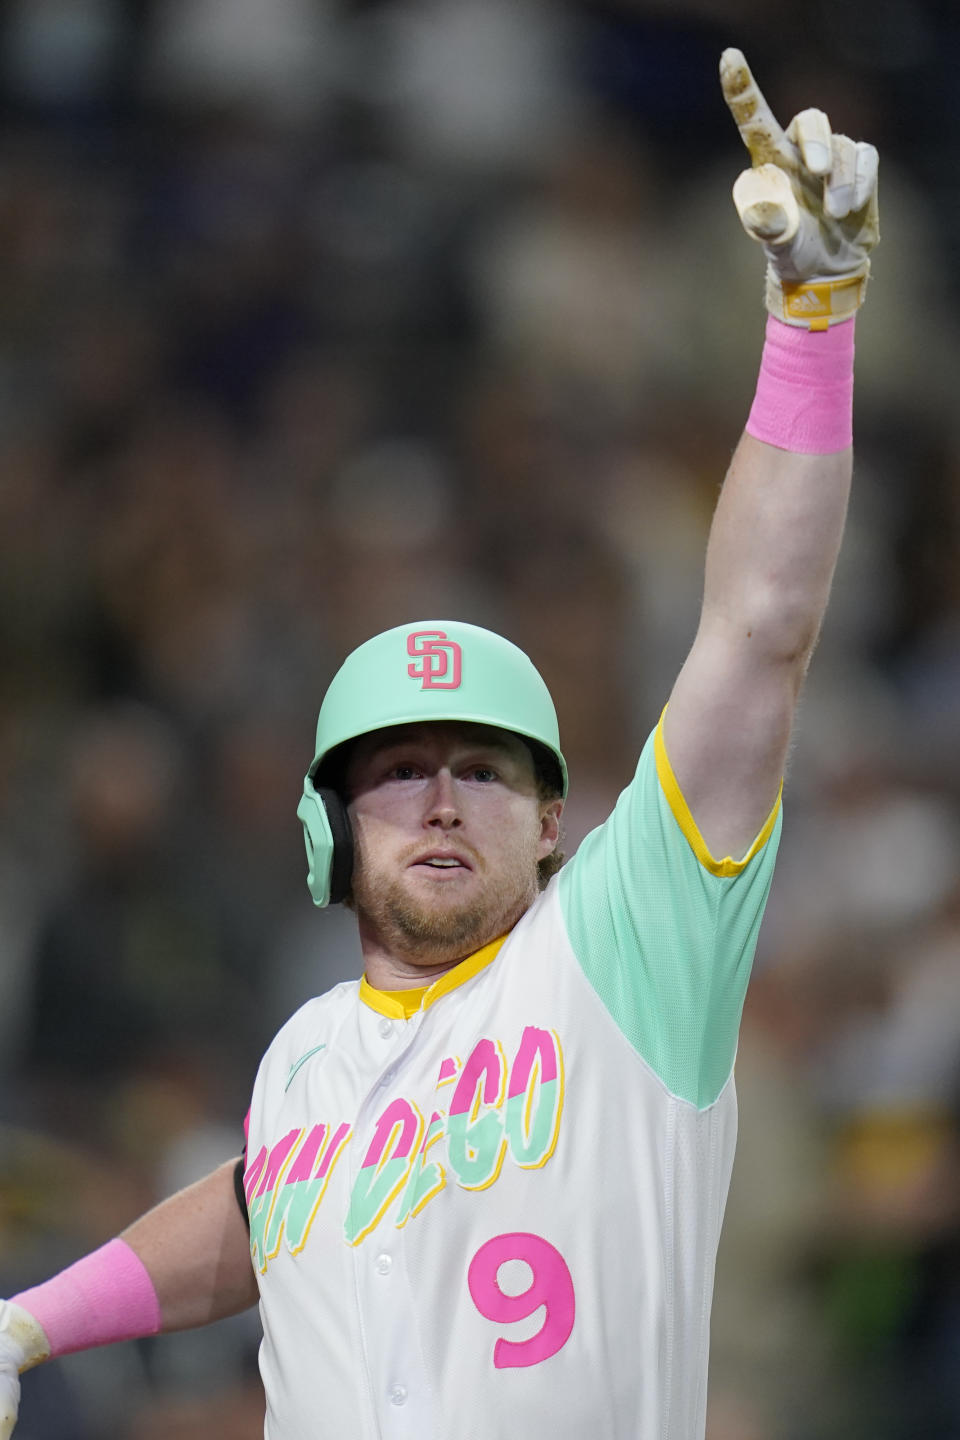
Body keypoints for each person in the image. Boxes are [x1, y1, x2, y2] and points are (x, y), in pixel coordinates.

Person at [0, 49, 880, 1440]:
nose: (444, 798)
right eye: (399, 770)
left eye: (486, 768)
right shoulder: (302, 1060)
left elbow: (760, 627)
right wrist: (30, 1322)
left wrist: (811, 323)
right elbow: (256, 1207)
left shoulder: (624, 946)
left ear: (553, 820)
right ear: (328, 832)